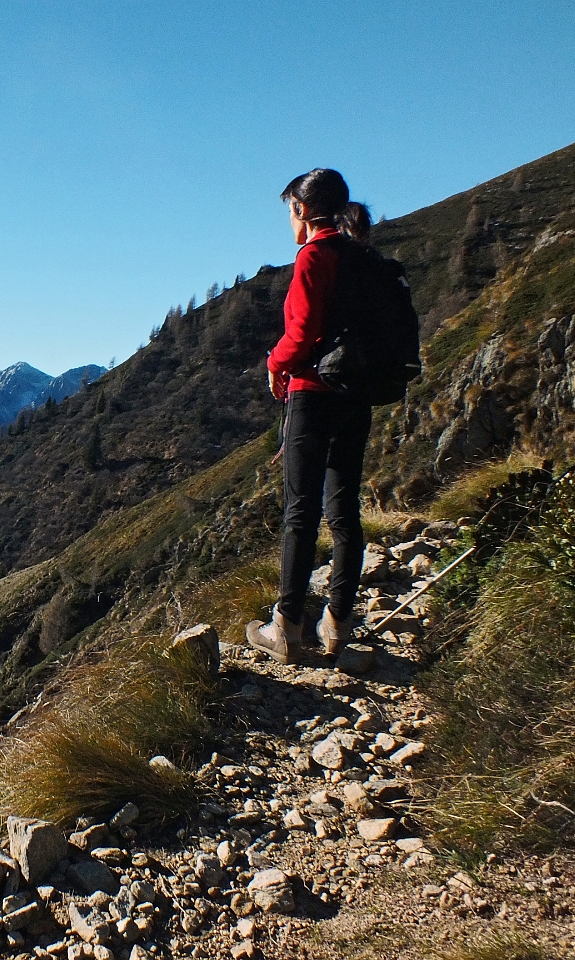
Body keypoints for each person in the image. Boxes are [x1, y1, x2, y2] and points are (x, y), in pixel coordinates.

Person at [246, 168, 374, 664]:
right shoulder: (362, 258)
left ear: (301, 210)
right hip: (355, 395)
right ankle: (339, 625)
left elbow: (300, 335)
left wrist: (275, 363)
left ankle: (287, 629)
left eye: (289, 213)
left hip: (313, 394)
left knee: (300, 513)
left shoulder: (314, 256)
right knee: (344, 513)